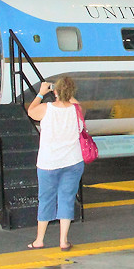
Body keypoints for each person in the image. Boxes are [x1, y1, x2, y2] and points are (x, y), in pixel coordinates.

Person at [26, 75, 83, 251]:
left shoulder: (46, 108)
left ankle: (39, 240)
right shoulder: (77, 110)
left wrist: (41, 93)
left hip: (48, 163)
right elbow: (76, 103)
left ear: (56, 91)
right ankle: (63, 241)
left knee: (46, 199)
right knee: (66, 199)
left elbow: (30, 111)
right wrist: (65, 94)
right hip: (73, 161)